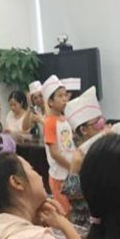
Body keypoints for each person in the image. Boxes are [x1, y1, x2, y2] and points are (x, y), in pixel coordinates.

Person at [62, 87, 107, 227]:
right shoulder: (79, 157)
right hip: (86, 222)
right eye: (97, 123)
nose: (103, 126)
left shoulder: (104, 148)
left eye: (102, 121)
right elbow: (71, 192)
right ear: (84, 130)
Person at [43, 75, 75, 215]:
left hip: (69, 172)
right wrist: (71, 166)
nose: (64, 99)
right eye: (60, 96)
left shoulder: (64, 119)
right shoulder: (50, 122)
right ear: (50, 102)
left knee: (72, 210)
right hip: (59, 176)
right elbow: (55, 153)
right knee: (64, 212)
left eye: (65, 95)